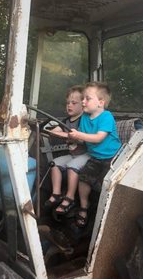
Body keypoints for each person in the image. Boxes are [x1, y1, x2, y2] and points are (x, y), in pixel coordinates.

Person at [68, 81, 122, 227]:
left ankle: (107, 212)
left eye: (87, 98)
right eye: (83, 98)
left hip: (113, 157)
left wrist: (79, 134)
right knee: (84, 178)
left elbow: (98, 138)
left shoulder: (106, 116)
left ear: (101, 102)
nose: (83, 102)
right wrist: (71, 136)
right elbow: (82, 137)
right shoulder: (85, 117)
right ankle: (84, 207)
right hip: (95, 157)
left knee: (105, 184)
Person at [44, 85, 90, 215]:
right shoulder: (66, 121)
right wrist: (46, 130)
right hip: (74, 155)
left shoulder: (84, 121)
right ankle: (57, 193)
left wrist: (65, 135)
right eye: (68, 103)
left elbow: (80, 137)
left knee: (72, 166)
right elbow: (56, 130)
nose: (69, 105)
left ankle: (70, 198)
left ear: (83, 105)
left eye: (74, 103)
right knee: (54, 163)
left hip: (87, 154)